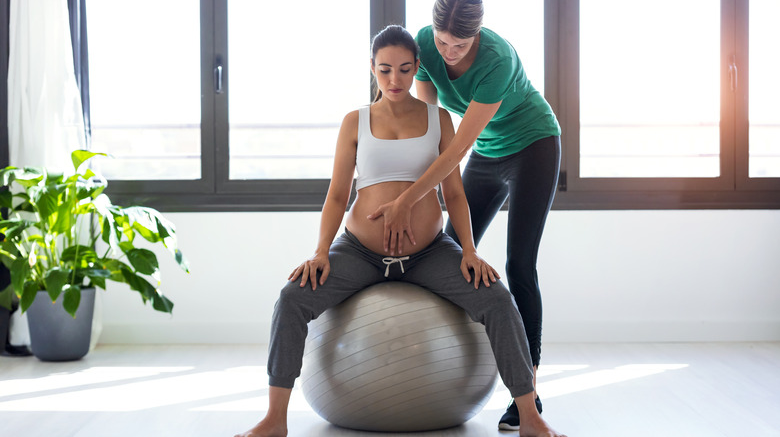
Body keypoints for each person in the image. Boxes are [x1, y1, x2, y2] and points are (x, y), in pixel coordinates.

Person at [234, 25, 564, 437]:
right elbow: (337, 196)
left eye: (405, 70)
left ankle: (530, 417)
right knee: (291, 297)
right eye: (385, 69)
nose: (395, 80)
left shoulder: (438, 118)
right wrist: (321, 251)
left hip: (429, 253)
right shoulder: (354, 122)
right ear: (371, 68)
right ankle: (274, 419)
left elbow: (456, 195)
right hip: (359, 252)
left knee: (497, 298)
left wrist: (468, 250)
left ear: (417, 69)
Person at [365, 0, 562, 431]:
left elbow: (455, 149)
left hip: (532, 146)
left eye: (460, 44)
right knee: (450, 252)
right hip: (488, 154)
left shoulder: (498, 60)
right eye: (442, 42)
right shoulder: (422, 45)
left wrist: (409, 200)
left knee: (519, 265)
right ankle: (441, 365)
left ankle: (526, 394)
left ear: (478, 35)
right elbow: (433, 118)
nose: (449, 51)